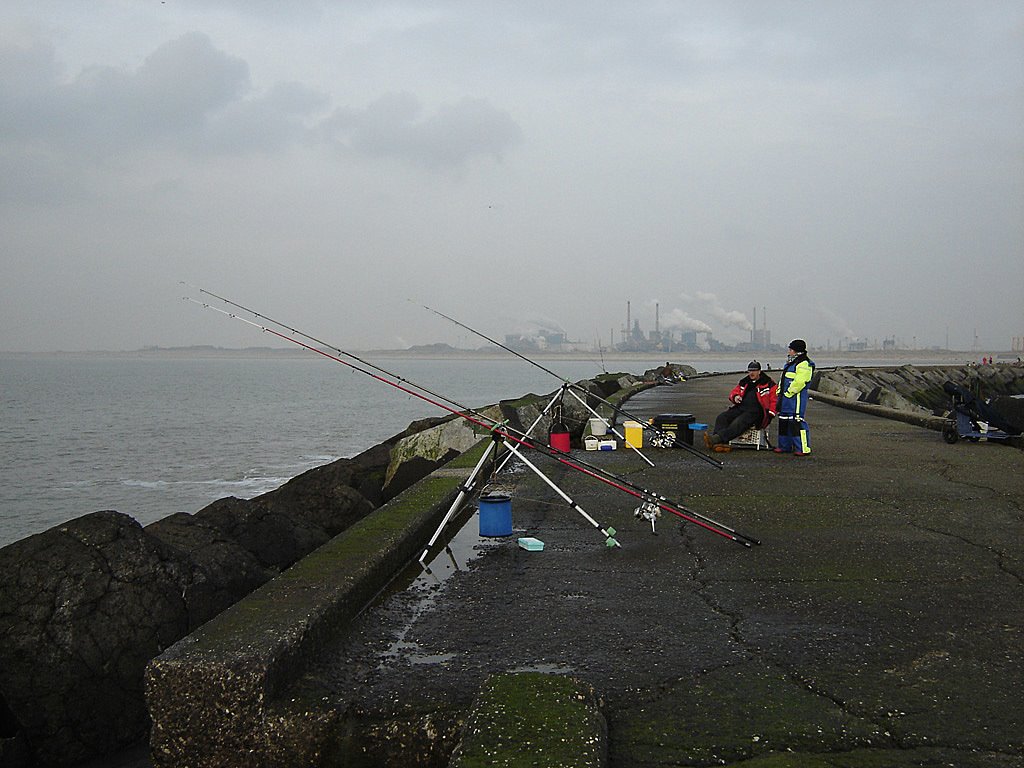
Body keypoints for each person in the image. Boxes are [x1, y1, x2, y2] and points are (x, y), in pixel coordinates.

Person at [704, 361, 777, 453]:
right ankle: (719, 444)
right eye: (749, 371)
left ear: (759, 371)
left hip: (757, 412)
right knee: (722, 417)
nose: (751, 373)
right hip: (741, 408)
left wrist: (771, 414)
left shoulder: (769, 383)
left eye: (754, 371)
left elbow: (775, 400)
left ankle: (716, 439)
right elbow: (734, 392)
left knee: (739, 422)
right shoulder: (744, 382)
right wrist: (735, 397)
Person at [774, 339, 815, 455]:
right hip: (785, 399)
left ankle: (802, 448)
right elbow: (783, 379)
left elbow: (800, 382)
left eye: (791, 349)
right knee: (784, 421)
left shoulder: (804, 364)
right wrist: (779, 392)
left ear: (796, 351)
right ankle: (784, 446)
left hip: (795, 399)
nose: (789, 351)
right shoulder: (790, 363)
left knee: (797, 422)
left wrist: (789, 393)